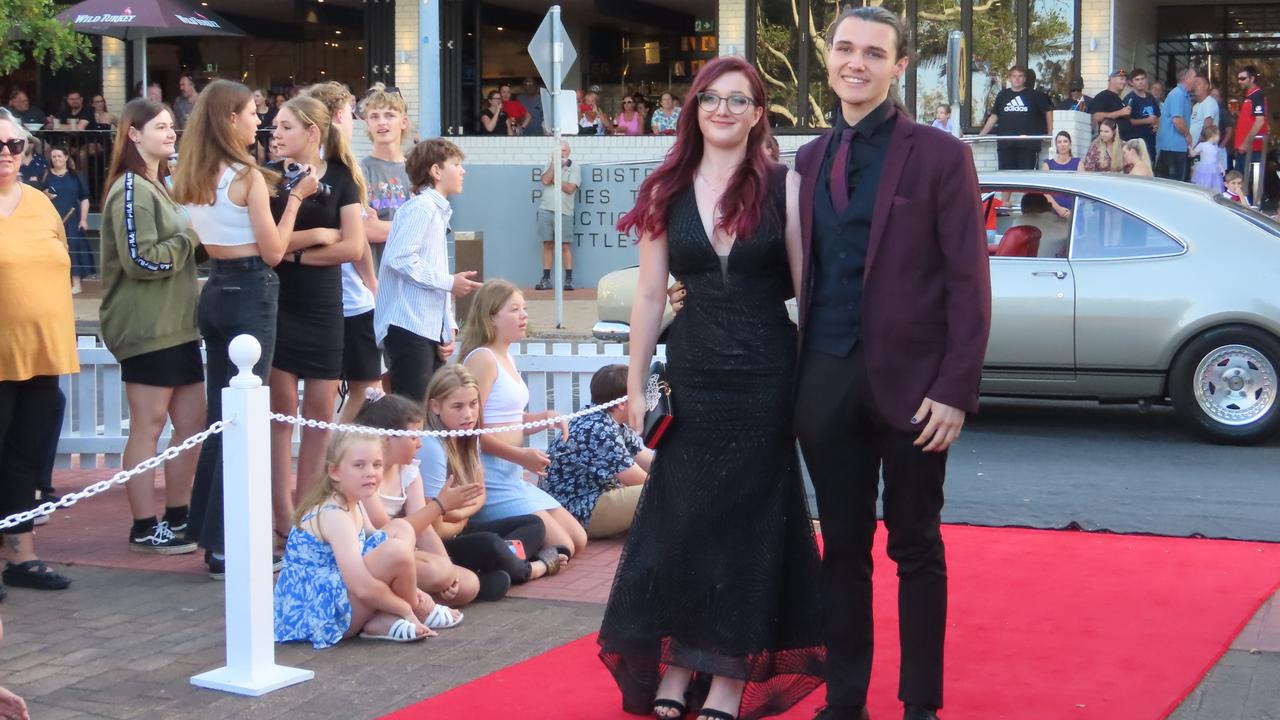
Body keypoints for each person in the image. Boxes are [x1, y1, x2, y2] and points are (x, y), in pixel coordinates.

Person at [599, 54, 826, 720]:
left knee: (749, 526)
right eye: (709, 99)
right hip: (694, 369)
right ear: (693, 111)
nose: (722, 110)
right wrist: (637, 384)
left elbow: (807, 293)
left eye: (737, 100)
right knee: (685, 519)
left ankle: (729, 675)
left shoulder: (786, 186)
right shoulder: (667, 186)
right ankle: (678, 662)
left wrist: (816, 383)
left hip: (765, 373)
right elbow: (647, 295)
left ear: (758, 114)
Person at [789, 8, 991, 719]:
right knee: (841, 548)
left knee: (915, 546)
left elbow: (969, 281)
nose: (856, 63)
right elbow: (798, 267)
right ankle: (844, 702)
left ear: (899, 66)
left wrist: (955, 389)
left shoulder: (940, 155)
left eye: (873, 53)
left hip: (915, 389)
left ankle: (920, 705)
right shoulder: (808, 159)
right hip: (824, 379)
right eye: (845, 49)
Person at [173, 79, 319, 578]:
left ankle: (212, 536)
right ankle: (228, 541)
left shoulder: (190, 173)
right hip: (252, 289)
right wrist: (296, 198)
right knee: (246, 416)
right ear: (230, 118)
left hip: (215, 289)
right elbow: (275, 252)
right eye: (251, 112)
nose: (259, 120)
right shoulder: (247, 176)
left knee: (222, 415)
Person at [99, 98, 206, 555]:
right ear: (133, 134)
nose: (171, 132)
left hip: (180, 325)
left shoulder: (159, 184)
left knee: (192, 421)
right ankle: (144, 524)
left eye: (172, 126)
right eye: (160, 126)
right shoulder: (129, 190)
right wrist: (190, 238)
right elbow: (140, 259)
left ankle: (179, 516)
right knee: (149, 423)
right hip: (145, 326)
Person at [273, 429, 481, 648]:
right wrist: (408, 607)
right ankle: (400, 613)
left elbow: (376, 540)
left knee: (401, 528)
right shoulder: (334, 514)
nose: (370, 473)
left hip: (340, 591)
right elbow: (361, 585)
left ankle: (382, 620)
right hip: (322, 612)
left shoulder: (353, 500)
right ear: (334, 471)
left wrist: (415, 591)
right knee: (396, 551)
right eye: (359, 465)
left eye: (377, 465)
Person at [265, 95, 367, 533]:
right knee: (281, 414)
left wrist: (300, 253)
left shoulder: (344, 178)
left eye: (285, 127)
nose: (275, 133)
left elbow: (353, 247)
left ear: (312, 132)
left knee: (319, 420)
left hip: (325, 307)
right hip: (279, 303)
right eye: (274, 126)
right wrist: (318, 234)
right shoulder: (269, 179)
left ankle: (307, 517)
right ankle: (279, 519)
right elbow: (266, 246)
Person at [0, 109, 76, 597]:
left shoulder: (40, 203)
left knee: (26, 456)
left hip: (43, 352)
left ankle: (21, 554)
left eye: (14, 146)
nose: (6, 155)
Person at [460, 281, 587, 559]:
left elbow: (509, 418)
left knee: (578, 539)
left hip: (512, 475)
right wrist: (521, 456)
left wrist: (544, 418)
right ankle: (487, 536)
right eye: (514, 309)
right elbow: (472, 431)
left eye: (524, 309)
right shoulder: (483, 359)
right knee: (563, 545)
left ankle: (506, 542)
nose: (524, 316)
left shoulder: (506, 355)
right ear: (491, 317)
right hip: (490, 475)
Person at [418, 365, 566, 587]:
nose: (468, 414)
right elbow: (436, 527)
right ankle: (531, 569)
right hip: (438, 542)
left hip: (462, 525)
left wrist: (458, 514)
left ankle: (497, 570)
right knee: (490, 543)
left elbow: (480, 496)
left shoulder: (471, 435)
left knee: (534, 524)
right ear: (435, 406)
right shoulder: (432, 446)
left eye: (473, 404)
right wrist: (462, 519)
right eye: (457, 406)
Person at [375, 139, 481, 403]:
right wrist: (449, 282)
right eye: (456, 165)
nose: (462, 171)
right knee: (414, 412)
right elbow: (399, 259)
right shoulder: (421, 207)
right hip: (409, 326)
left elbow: (429, 269)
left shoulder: (434, 210)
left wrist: (448, 328)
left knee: (429, 412)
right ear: (436, 171)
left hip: (423, 329)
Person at [303, 82, 383, 426]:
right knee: (368, 388)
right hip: (349, 297)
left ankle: (332, 458)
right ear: (338, 116)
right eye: (352, 114)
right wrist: (372, 283)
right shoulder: (342, 168)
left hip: (321, 293)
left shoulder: (308, 164)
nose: (354, 122)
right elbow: (359, 239)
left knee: (330, 390)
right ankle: (335, 457)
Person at [354, 393, 480, 610]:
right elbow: (385, 532)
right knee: (435, 572)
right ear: (387, 440)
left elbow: (425, 531)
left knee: (468, 584)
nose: (420, 444)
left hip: (404, 550)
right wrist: (440, 506)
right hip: (372, 554)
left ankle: (406, 600)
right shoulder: (367, 475)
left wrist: (449, 572)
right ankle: (400, 603)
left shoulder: (409, 471)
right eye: (414, 437)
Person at [541, 364, 651, 539]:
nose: (645, 401)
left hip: (585, 498)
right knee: (656, 491)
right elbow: (640, 479)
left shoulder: (605, 418)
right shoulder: (600, 431)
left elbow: (645, 460)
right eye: (640, 396)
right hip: (575, 509)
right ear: (622, 403)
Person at [358, 83, 411, 280]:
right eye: (374, 116)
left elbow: (433, 230)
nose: (382, 122)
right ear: (367, 124)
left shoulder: (418, 171)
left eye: (389, 115)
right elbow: (363, 229)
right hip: (375, 282)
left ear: (403, 122)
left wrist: (383, 227)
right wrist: (412, 227)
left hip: (413, 284)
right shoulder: (359, 171)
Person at [978, 64, 1053, 170]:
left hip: (1028, 146)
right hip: (1006, 145)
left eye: (1020, 76)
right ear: (1009, 78)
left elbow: (1048, 111)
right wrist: (980, 135)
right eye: (1014, 76)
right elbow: (994, 116)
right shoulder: (1002, 95)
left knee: (1026, 180)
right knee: (1006, 180)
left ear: (1025, 79)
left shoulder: (1035, 95)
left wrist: (1050, 133)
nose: (1017, 79)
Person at [43, 146, 92, 292]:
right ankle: (57, 283)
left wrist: (83, 219)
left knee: (73, 250)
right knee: (53, 251)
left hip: (72, 218)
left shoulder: (76, 176)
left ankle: (76, 283)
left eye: (59, 156)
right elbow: (38, 196)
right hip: (52, 219)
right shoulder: (45, 175)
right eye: (54, 157)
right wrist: (45, 194)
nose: (57, 159)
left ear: (66, 157)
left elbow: (84, 198)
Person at [535, 140, 581, 291]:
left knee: (565, 245)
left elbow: (570, 188)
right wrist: (554, 165)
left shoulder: (574, 167)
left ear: (569, 151)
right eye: (559, 151)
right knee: (547, 244)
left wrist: (555, 180)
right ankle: (546, 279)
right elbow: (545, 180)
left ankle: (569, 280)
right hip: (546, 209)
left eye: (564, 150)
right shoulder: (549, 165)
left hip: (564, 211)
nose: (561, 153)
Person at [1155, 68, 1196, 181]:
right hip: (1172, 148)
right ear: (1186, 78)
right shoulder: (1178, 94)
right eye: (1194, 77)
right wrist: (1188, 135)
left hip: (1177, 148)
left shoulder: (1184, 95)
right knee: (1174, 184)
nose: (1195, 80)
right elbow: (1177, 119)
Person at [1234, 65, 1268, 188]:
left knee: (1248, 185)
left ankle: (1251, 207)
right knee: (1240, 184)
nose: (1239, 81)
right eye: (1238, 78)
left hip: (1251, 149)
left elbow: (1260, 121)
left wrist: (1245, 143)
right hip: (1245, 148)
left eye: (1243, 78)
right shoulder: (1249, 96)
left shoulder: (1256, 95)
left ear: (1252, 78)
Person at [1013, 193, 1071, 258]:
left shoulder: (1019, 222)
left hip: (1024, 266)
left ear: (1023, 210)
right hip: (1058, 266)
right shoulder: (1068, 226)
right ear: (1050, 206)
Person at [1041, 131, 1081, 217]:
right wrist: (1058, 209)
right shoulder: (1048, 164)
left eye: (1065, 141)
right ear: (1056, 145)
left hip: (1074, 209)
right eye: (1059, 142)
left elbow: (1081, 188)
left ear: (1070, 144)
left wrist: (1073, 210)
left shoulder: (1078, 163)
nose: (1062, 144)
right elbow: (1045, 191)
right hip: (1053, 209)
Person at [1124, 69, 1160, 161]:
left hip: (1151, 142)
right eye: (1137, 79)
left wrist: (1156, 124)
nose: (1140, 82)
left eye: (1142, 79)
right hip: (1136, 144)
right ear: (1131, 83)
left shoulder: (1150, 97)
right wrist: (1146, 121)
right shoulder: (1129, 99)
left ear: (1146, 80)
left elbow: (1157, 115)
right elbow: (1127, 122)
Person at [1090, 69, 1131, 138]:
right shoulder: (1103, 96)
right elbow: (1096, 116)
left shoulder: (1118, 99)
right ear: (1111, 79)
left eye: (1125, 79)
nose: (1124, 82)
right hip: (1110, 142)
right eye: (1121, 79)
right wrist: (1120, 113)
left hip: (1121, 142)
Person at [1189, 74, 1220, 156]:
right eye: (1194, 83)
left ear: (1206, 86)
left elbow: (1207, 126)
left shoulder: (1209, 102)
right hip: (1195, 151)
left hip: (1203, 153)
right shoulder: (1196, 105)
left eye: (1198, 83)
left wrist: (1196, 148)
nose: (1195, 86)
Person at [1190, 125, 1225, 191]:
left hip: (1214, 168)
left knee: (1214, 184)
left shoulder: (1215, 146)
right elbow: (1193, 154)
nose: (1219, 138)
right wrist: (1191, 149)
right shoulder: (1202, 145)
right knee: (1204, 183)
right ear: (1214, 135)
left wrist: (1221, 168)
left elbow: (1217, 158)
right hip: (1204, 168)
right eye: (1218, 135)